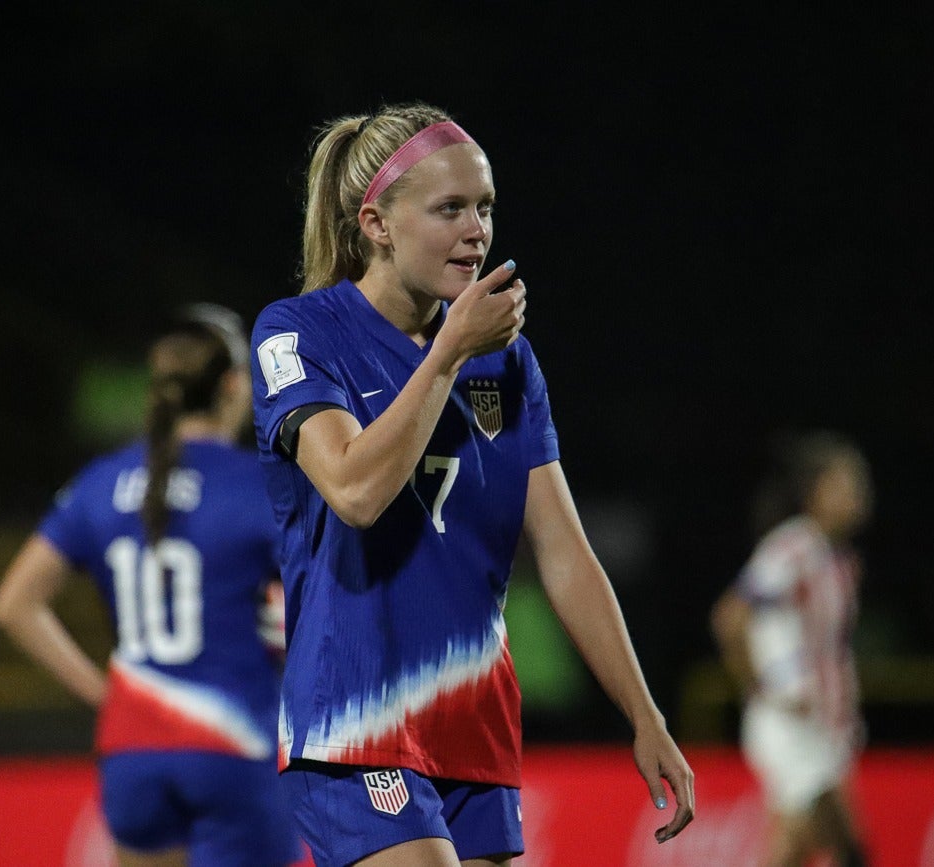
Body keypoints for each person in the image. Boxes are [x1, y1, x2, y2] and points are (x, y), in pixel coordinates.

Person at [250, 101, 694, 867]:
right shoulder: (299, 333)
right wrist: (449, 350)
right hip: (351, 726)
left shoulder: (508, 360)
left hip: (474, 730)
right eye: (449, 208)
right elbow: (355, 492)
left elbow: (563, 551)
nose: (476, 230)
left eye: (484, 207)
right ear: (377, 224)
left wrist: (645, 713)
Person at [0, 304, 301, 867]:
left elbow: (15, 605)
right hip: (232, 743)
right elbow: (320, 599)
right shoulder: (260, 489)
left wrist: (102, 694)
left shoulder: (101, 482)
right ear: (233, 386)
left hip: (132, 748)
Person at [710, 431, 874, 867]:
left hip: (823, 727)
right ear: (816, 491)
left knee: (797, 848)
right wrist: (763, 689)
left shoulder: (839, 560)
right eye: (847, 483)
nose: (860, 494)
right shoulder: (795, 547)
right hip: (793, 725)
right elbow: (731, 616)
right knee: (844, 847)